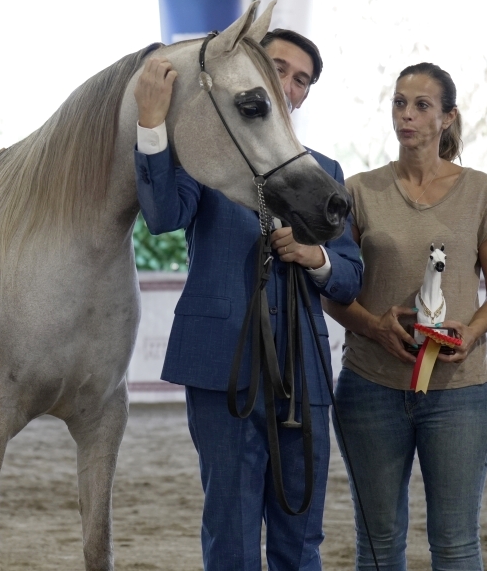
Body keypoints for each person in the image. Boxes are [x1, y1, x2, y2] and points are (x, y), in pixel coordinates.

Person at [133, 28, 363, 571]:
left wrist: (316, 258)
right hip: (222, 370)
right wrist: (150, 124)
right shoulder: (204, 161)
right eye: (277, 68)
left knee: (301, 536)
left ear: (306, 95)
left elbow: (349, 278)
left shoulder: (326, 173)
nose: (287, 84)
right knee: (230, 535)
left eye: (300, 79)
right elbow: (163, 217)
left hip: (302, 376)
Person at [325, 62, 487, 571]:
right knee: (378, 547)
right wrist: (373, 328)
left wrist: (471, 333)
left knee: (455, 547)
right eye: (399, 103)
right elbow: (331, 288)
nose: (406, 115)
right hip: (369, 389)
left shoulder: (481, 191)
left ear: (447, 118)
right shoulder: (358, 191)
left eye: (421, 105)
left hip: (460, 394)